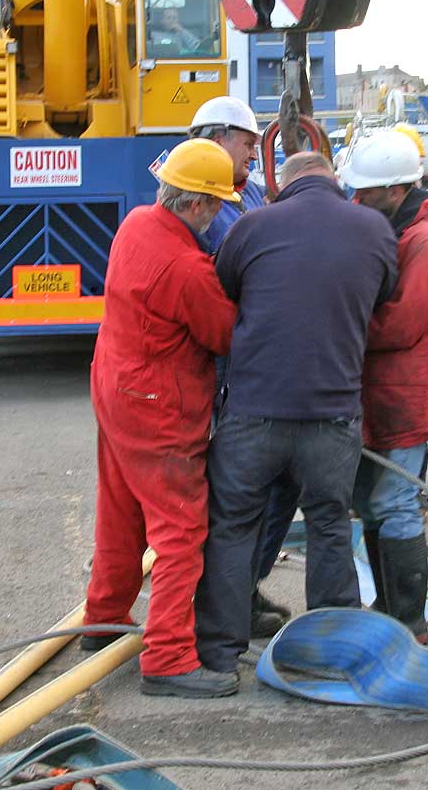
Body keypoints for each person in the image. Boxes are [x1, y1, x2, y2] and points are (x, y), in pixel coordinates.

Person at [195, 151, 398, 677]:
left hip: (254, 412)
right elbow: (384, 295)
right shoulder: (374, 229)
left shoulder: (251, 225)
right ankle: (330, 654)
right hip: (331, 414)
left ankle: (219, 653)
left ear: (282, 183)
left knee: (233, 527)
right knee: (330, 523)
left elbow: (227, 288)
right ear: (335, 180)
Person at [82, 139, 241, 699]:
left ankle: (103, 617)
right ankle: (169, 656)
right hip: (158, 408)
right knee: (181, 530)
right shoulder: (187, 267)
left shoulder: (136, 225)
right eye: (218, 203)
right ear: (197, 204)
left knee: (121, 510)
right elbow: (224, 333)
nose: (221, 213)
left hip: (115, 388)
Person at [339, 133, 428, 642]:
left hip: (408, 392)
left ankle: (409, 621)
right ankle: (389, 605)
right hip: (388, 390)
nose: (356, 200)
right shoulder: (403, 229)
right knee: (376, 503)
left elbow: (401, 324)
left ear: (395, 191)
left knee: (395, 502)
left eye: (365, 192)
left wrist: (341, 325)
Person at [188, 95, 295, 637]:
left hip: (262, 357)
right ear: (214, 139)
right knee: (239, 490)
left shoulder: (247, 192)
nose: (256, 150)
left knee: (281, 484)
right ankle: (223, 607)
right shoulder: (200, 202)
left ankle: (243, 589)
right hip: (233, 366)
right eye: (247, 141)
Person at [188, 96, 264, 250]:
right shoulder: (190, 204)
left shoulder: (256, 192)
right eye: (248, 145)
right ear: (218, 144)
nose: (254, 155)